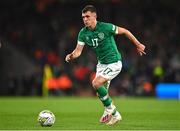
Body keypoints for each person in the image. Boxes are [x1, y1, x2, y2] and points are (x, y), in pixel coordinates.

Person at [65, 5, 146, 125]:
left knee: (96, 83)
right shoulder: (83, 33)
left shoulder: (105, 27)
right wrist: (71, 55)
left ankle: (110, 109)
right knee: (100, 92)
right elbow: (78, 52)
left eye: (87, 16)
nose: (85, 19)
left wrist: (138, 44)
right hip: (101, 65)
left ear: (94, 16)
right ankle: (114, 114)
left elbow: (125, 31)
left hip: (114, 63)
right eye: (83, 17)